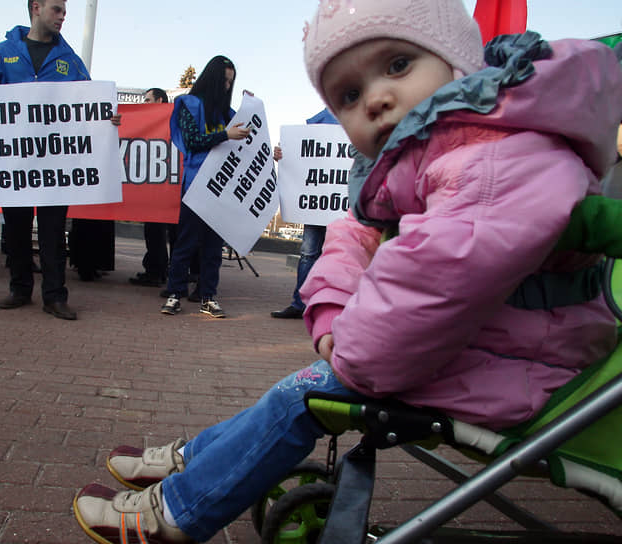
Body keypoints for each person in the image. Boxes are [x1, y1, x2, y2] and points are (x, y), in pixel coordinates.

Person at [72, 0, 622, 542]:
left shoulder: (492, 162)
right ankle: (193, 462)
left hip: (521, 370)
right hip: (489, 350)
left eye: (399, 65)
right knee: (304, 386)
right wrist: (334, 310)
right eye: (349, 96)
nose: (377, 99)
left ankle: (179, 511)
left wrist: (348, 346)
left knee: (307, 394)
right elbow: (353, 231)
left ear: (460, 62)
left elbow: (427, 287)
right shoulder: (438, 150)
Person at [0, 0, 120, 320]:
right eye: (57, 9)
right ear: (36, 8)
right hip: (15, 163)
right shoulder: (3, 53)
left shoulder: (70, 59)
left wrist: (107, 119)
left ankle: (55, 296)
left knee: (54, 231)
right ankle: (19, 288)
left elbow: (89, 104)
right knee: (16, 228)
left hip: (55, 166)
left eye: (64, 10)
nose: (63, 16)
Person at [160, 55, 250, 319]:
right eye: (223, 80)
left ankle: (208, 296)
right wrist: (225, 134)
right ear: (211, 78)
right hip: (196, 183)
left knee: (212, 246)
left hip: (219, 187)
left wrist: (250, 110)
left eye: (230, 83)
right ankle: (175, 292)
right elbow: (193, 140)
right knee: (186, 242)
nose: (226, 86)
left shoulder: (228, 113)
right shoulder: (188, 104)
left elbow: (247, 145)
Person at [271, 108, 339, 319]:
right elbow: (304, 157)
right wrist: (285, 154)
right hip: (318, 204)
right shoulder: (320, 119)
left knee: (335, 254)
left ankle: (327, 306)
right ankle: (301, 303)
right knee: (309, 253)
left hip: (339, 203)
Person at [130, 87, 173, 287]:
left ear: (160, 101)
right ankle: (156, 269)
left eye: (148, 100)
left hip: (163, 186)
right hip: (152, 183)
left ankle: (156, 271)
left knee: (156, 229)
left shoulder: (171, 120)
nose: (144, 104)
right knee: (152, 229)